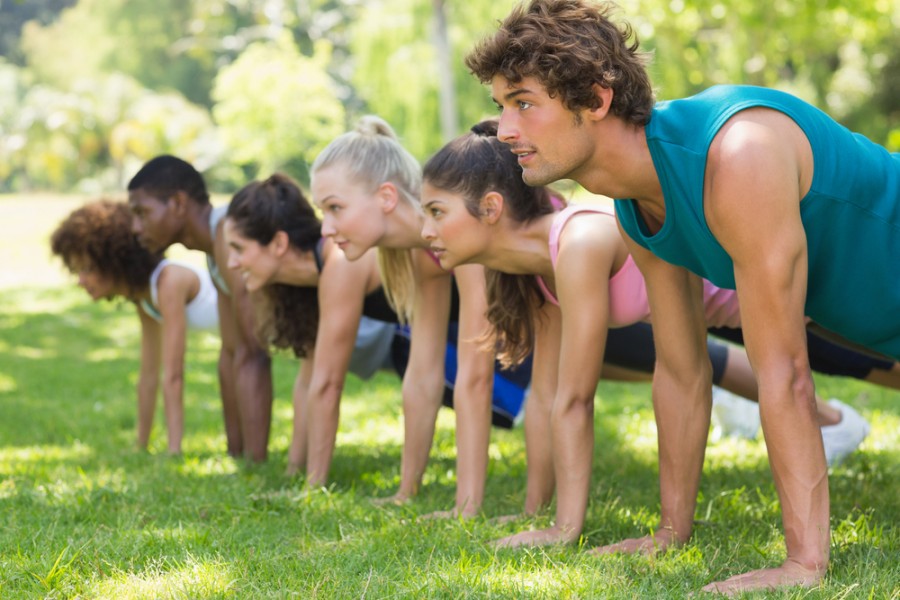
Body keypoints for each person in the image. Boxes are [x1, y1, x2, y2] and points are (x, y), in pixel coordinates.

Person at [465, 0, 900, 593]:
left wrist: (803, 565)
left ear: (596, 100)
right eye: (501, 107)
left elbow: (785, 372)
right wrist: (670, 530)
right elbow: (680, 370)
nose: (505, 130)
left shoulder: (736, 155)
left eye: (524, 104)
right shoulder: (633, 198)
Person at [420, 120, 893, 548]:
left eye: (437, 212)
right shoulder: (539, 271)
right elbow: (544, 398)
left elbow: (575, 399)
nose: (424, 231)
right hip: (744, 318)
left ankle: (840, 429)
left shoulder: (577, 243)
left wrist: (566, 530)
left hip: (790, 300)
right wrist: (533, 513)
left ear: (490, 207)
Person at [221, 173, 531, 485]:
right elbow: (308, 384)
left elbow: (328, 385)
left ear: (278, 243)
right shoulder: (314, 275)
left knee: (526, 402)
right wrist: (293, 469)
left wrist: (313, 486)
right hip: (449, 319)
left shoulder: (340, 261)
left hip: (489, 322)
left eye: (238, 248)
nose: (231, 263)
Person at [127, 156, 273, 462]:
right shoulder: (213, 247)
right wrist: (235, 455)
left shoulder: (226, 234)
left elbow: (253, 351)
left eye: (143, 213)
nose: (136, 227)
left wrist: (255, 466)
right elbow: (231, 352)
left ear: (178, 203)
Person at [50, 200, 218, 455]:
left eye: (87, 270)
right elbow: (148, 375)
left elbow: (173, 375)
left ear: (114, 262)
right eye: (77, 271)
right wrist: (141, 445)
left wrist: (174, 451)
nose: (80, 281)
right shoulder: (144, 297)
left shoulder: (168, 282)